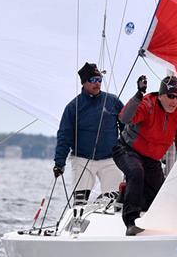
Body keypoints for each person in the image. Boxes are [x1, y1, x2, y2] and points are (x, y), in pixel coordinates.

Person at [113, 74, 177, 236]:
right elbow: (125, 118)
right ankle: (131, 222)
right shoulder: (148, 103)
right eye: (170, 96)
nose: (174, 101)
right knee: (136, 172)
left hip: (151, 159)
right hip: (126, 149)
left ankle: (125, 194)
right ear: (160, 96)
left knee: (158, 195)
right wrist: (139, 94)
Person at [53, 62, 124, 205]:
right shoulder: (73, 107)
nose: (97, 84)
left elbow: (127, 127)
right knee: (80, 201)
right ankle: (77, 219)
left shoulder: (113, 101)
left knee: (114, 201)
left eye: (99, 80)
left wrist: (129, 152)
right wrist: (59, 163)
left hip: (109, 159)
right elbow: (64, 136)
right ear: (84, 83)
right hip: (82, 159)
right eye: (93, 80)